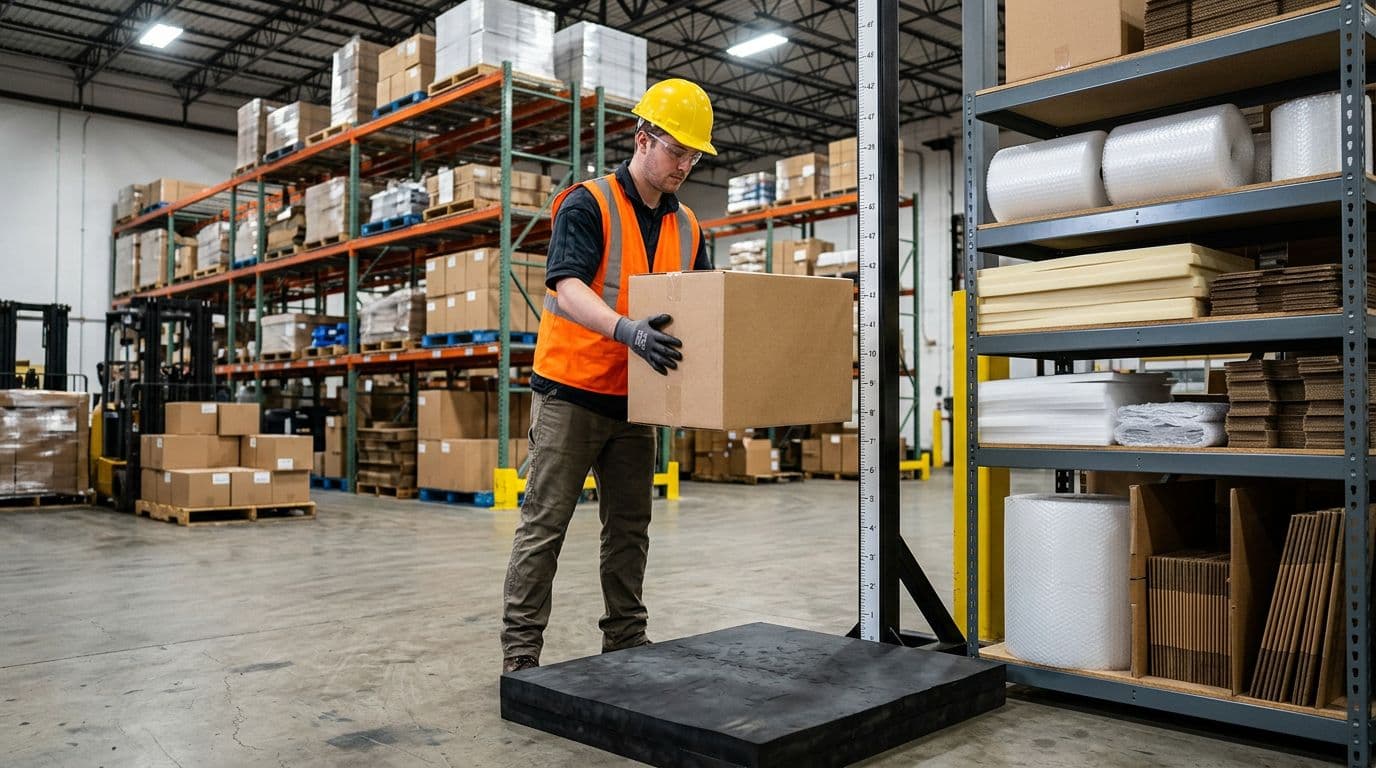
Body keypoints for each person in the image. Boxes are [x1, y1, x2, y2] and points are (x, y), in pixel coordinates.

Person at [500, 79, 717, 674]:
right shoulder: (586, 203)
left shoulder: (692, 227)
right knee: (545, 525)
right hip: (571, 393)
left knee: (630, 527)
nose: (685, 165)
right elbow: (567, 289)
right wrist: (629, 331)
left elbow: (703, 309)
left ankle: (625, 637)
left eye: (694, 156)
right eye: (677, 152)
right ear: (643, 139)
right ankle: (522, 653)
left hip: (636, 401)